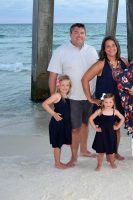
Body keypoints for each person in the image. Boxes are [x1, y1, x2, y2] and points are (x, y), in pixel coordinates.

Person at [47, 23, 99, 166]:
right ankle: (74, 156)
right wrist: (53, 98)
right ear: (70, 34)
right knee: (74, 128)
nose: (79, 35)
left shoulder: (92, 50)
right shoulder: (61, 51)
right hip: (71, 98)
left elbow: (99, 70)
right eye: (76, 32)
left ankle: (84, 150)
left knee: (85, 124)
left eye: (82, 32)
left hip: (89, 96)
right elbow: (52, 75)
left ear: (85, 35)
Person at [82, 36, 129, 161]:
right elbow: (85, 79)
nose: (111, 48)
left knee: (116, 127)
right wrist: (91, 98)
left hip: (119, 100)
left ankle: (114, 152)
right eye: (107, 46)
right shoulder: (101, 64)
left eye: (113, 45)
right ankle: (106, 154)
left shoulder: (124, 62)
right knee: (105, 130)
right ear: (104, 49)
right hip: (105, 103)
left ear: (117, 46)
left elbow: (130, 80)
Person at [42, 75, 72, 169]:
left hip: (64, 124)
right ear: (59, 86)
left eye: (67, 85)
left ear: (70, 86)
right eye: (63, 85)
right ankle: (57, 164)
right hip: (57, 124)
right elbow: (44, 104)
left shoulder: (67, 96)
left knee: (60, 143)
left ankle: (59, 162)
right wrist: (54, 114)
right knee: (57, 145)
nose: (65, 87)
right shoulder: (57, 95)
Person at [89, 93, 125, 171]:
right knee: (100, 152)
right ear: (103, 102)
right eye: (106, 102)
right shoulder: (100, 111)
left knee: (111, 151)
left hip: (111, 134)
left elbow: (122, 118)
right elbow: (91, 118)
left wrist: (117, 126)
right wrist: (95, 128)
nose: (108, 104)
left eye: (110, 102)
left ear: (113, 103)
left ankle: (112, 162)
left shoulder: (114, 111)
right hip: (101, 134)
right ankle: (99, 165)